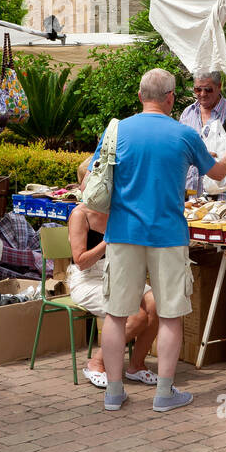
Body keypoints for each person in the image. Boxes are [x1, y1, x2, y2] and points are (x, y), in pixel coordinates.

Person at [95, 68, 226, 413]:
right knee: (171, 315)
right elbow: (217, 175)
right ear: (171, 97)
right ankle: (164, 393)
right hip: (168, 235)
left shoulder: (117, 129)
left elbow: (90, 171)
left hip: (123, 233)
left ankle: (113, 393)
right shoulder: (182, 134)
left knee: (115, 315)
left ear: (141, 95)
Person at [67, 157, 159, 389]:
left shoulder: (116, 208)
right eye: (95, 177)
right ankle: (96, 363)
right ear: (83, 184)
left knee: (158, 305)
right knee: (135, 316)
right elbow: (81, 262)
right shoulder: (80, 215)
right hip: (88, 279)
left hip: (117, 273)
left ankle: (136, 365)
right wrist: (109, 240)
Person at [179, 70, 226, 196]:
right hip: (192, 196)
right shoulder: (188, 113)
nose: (202, 94)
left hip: (224, 196)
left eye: (208, 90)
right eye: (198, 90)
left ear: (219, 87)